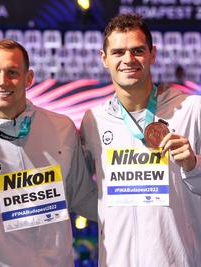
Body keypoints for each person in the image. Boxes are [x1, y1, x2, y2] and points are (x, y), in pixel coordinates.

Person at [0, 39, 97, 267]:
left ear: (28, 78)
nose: (2, 81)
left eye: (12, 72)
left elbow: (85, 200)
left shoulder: (61, 128)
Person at [80, 13, 201, 266]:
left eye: (137, 50)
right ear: (104, 59)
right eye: (118, 52)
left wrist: (194, 165)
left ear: (152, 54)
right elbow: (83, 192)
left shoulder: (192, 110)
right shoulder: (94, 121)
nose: (128, 60)